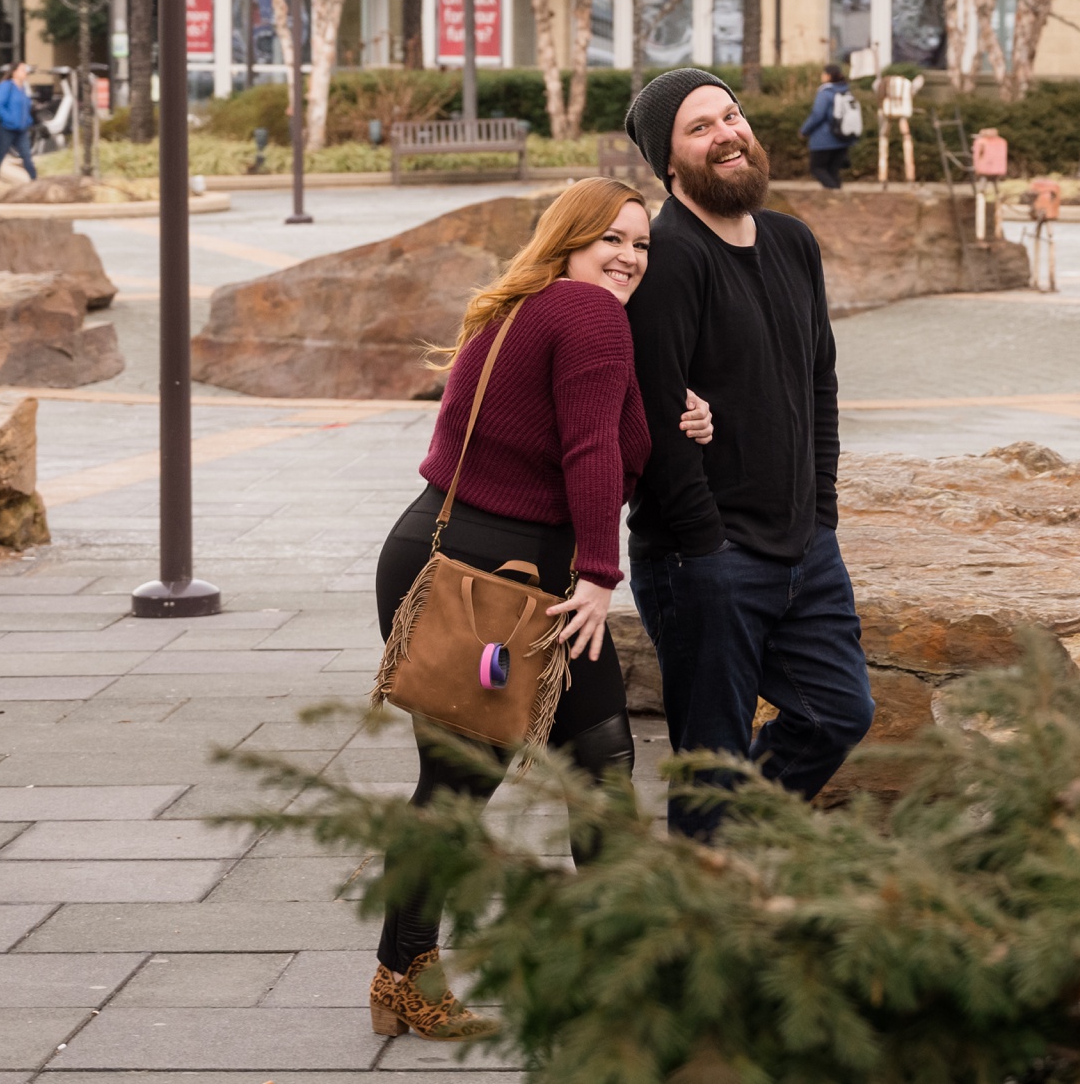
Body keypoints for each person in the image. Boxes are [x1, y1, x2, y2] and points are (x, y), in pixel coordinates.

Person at [367, 178, 714, 1040]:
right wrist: (600, 574)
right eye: (613, 239)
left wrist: (678, 419)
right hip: (505, 580)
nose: (631, 256)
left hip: (456, 558)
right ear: (569, 238)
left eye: (642, 243)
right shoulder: (589, 314)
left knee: (580, 760)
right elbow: (591, 451)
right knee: (507, 776)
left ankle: (422, 978)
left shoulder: (524, 305)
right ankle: (604, 979)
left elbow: (586, 431)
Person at [621, 67, 876, 841]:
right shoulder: (668, 258)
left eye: (730, 116)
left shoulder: (793, 242)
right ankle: (700, 917)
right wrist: (707, 544)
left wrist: (820, 508)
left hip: (805, 547)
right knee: (711, 760)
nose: (726, 134)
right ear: (669, 163)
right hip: (706, 559)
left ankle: (735, 844)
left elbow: (820, 381)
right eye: (699, 128)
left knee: (839, 712)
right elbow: (660, 423)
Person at [798, 64, 855, 189]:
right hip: (843, 137)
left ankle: (835, 192)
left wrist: (804, 130)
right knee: (832, 170)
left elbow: (817, 114)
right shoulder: (845, 90)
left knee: (817, 168)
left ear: (828, 76)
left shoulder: (826, 92)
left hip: (824, 139)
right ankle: (839, 197)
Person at [0, 62, 33, 184]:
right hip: (6, 128)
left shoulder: (23, 88)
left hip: (21, 129)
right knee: (0, 156)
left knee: (27, 156)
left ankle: (35, 181)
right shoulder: (6, 86)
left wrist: (28, 121)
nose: (25, 72)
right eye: (22, 69)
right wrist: (10, 120)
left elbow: (26, 107)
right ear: (14, 72)